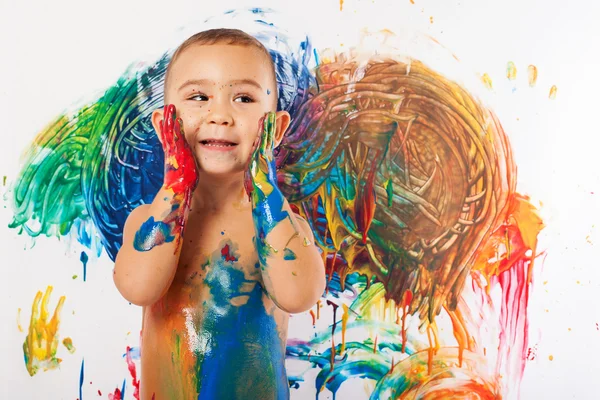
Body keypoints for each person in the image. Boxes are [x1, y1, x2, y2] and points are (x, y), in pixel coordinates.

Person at [113, 28, 326, 400]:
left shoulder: (282, 230)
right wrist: (176, 187)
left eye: (243, 98)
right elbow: (137, 286)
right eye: (199, 96)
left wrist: (265, 190)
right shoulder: (147, 221)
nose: (220, 115)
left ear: (275, 129)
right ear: (165, 124)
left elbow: (299, 296)